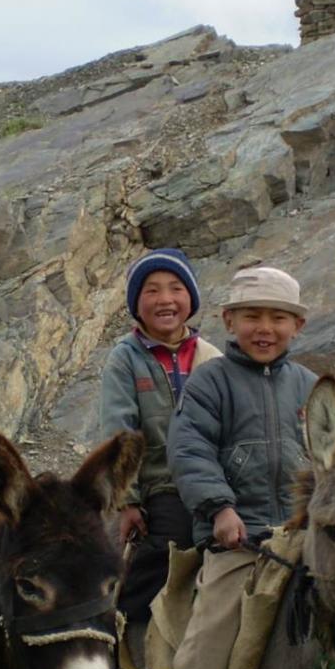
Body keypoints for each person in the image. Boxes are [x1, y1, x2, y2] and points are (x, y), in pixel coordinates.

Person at [164, 265, 319, 669]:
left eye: (278, 317)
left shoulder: (310, 387)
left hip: (303, 537)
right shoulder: (209, 383)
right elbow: (189, 450)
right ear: (229, 320)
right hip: (241, 539)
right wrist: (219, 508)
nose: (265, 327)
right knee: (211, 630)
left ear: (297, 326)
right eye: (252, 315)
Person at [97, 248, 220, 619]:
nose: (165, 299)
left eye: (176, 288)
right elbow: (120, 431)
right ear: (136, 303)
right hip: (159, 487)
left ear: (191, 299)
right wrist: (128, 501)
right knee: (158, 562)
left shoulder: (211, 358)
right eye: (151, 290)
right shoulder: (126, 358)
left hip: (210, 484)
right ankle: (126, 640)